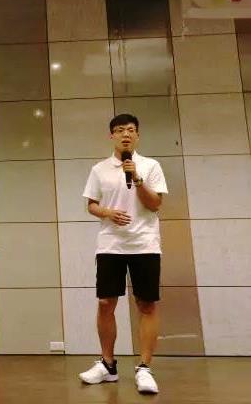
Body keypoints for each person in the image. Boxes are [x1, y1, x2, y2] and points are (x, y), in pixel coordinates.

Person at [78, 113, 168, 394]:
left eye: (130, 130)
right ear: (111, 136)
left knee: (146, 304)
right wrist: (107, 212)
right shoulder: (99, 169)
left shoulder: (151, 166)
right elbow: (91, 205)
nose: (125, 134)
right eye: (119, 130)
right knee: (106, 302)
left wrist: (137, 179)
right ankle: (108, 365)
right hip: (111, 245)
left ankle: (144, 368)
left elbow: (155, 204)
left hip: (144, 244)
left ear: (137, 135)